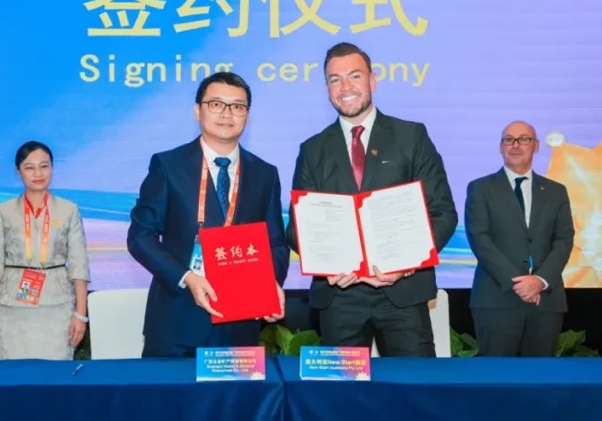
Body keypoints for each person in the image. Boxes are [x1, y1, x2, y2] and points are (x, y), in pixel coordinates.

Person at [286, 42, 458, 356]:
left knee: (413, 383)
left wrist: (405, 266)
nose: (345, 87)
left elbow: (442, 212)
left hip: (403, 293)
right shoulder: (312, 150)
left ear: (373, 81)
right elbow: (297, 228)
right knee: (341, 388)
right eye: (335, 79)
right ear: (327, 89)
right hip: (340, 297)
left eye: (354, 76)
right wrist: (328, 264)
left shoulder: (411, 136)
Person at [127, 72, 290, 357]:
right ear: (197, 110)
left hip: (240, 325)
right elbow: (140, 237)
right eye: (216, 104)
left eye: (237, 106)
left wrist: (268, 284)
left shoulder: (265, 173)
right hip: (177, 322)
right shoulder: (168, 165)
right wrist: (187, 277)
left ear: (247, 115)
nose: (227, 114)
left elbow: (275, 242)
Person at [465, 120, 575, 356]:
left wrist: (540, 281)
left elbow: (564, 240)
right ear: (500, 147)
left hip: (545, 300)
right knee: (496, 375)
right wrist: (520, 284)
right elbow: (480, 239)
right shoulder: (481, 188)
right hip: (496, 299)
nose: (515, 145)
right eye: (508, 139)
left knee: (540, 375)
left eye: (524, 139)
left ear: (536, 146)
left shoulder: (556, 191)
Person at [0, 141, 91, 359]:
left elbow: (79, 265)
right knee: (12, 373)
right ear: (18, 171)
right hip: (11, 309)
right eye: (29, 167)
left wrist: (80, 315)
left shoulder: (69, 210)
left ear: (52, 168)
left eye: (44, 166)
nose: (38, 173)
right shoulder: (4, 211)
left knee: (54, 374)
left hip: (57, 307)